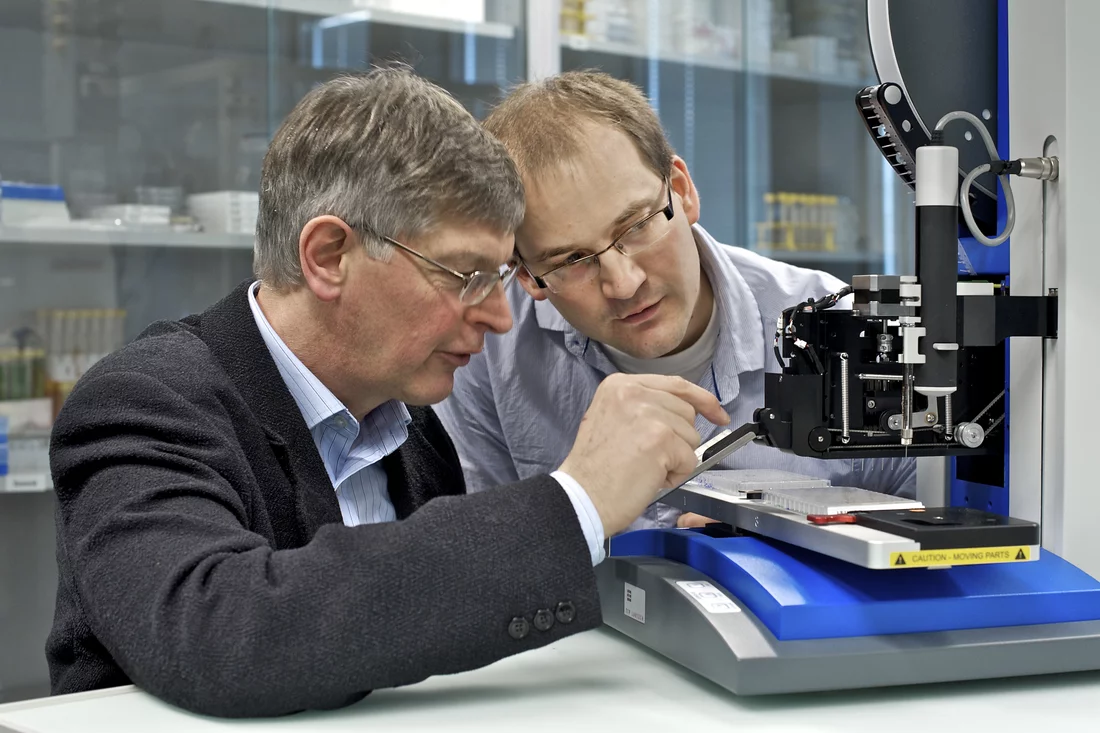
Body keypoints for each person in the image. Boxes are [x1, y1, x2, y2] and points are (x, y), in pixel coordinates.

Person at [45, 68, 730, 718]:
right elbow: (220, 631)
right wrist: (576, 500)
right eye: (466, 276)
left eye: (501, 276)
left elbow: (423, 630)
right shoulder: (145, 401)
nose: (498, 317)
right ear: (328, 257)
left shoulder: (411, 427)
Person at [436, 70, 915, 531]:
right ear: (528, 276)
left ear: (682, 192)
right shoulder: (489, 358)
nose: (623, 284)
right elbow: (480, 558)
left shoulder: (843, 330)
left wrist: (805, 543)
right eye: (572, 260)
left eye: (636, 226)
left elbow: (936, 541)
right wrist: (577, 500)